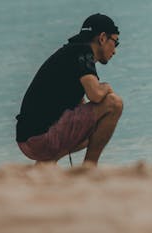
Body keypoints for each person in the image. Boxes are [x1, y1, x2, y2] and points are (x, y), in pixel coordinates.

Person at [15, 13, 123, 166]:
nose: (115, 50)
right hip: (40, 139)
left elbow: (81, 105)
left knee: (93, 131)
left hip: (27, 138)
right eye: (116, 43)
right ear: (103, 38)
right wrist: (107, 87)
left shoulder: (71, 53)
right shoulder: (83, 53)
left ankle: (46, 165)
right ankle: (89, 169)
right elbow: (96, 95)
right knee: (114, 103)